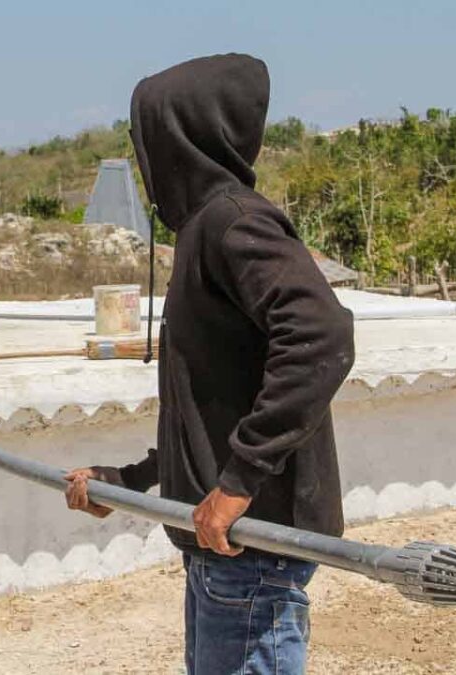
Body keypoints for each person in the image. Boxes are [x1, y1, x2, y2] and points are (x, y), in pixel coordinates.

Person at [63, 54, 355, 674]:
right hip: (221, 539)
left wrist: (238, 482)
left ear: (180, 139)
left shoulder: (235, 222)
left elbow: (321, 335)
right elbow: (211, 401)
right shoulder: (204, 232)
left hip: (254, 539)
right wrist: (134, 479)